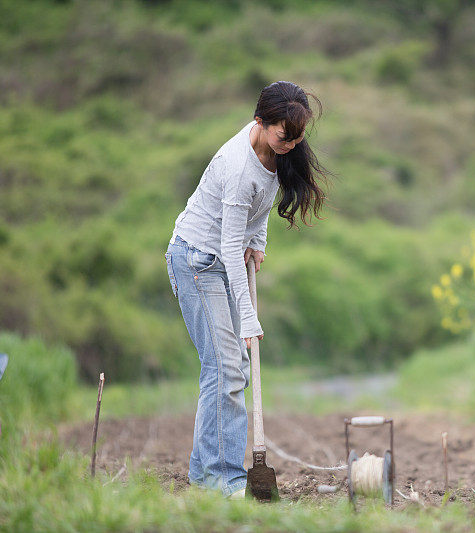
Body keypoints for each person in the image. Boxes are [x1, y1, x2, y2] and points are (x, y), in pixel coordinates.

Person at [163, 81, 330, 498]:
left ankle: (205, 476)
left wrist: (260, 241)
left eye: (297, 138)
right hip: (198, 260)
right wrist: (250, 317)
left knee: (224, 369)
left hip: (225, 257)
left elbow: (259, 209)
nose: (290, 145)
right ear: (261, 122)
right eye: (283, 136)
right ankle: (226, 478)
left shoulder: (276, 150)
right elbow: (226, 241)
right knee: (227, 368)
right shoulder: (237, 166)